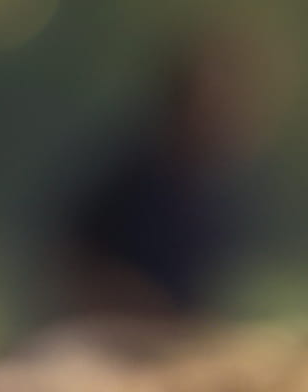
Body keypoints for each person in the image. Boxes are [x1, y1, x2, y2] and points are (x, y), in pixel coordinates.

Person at [47, 27, 275, 326]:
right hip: (116, 338)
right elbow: (69, 269)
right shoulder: (127, 184)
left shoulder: (214, 199)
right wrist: (141, 308)